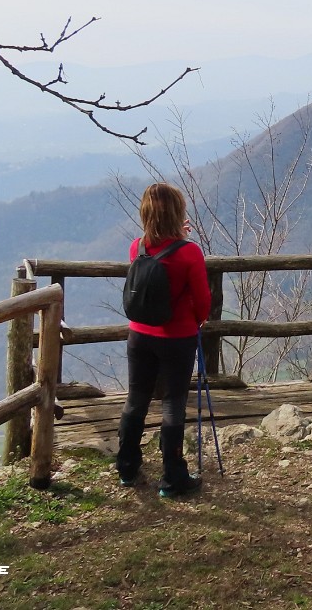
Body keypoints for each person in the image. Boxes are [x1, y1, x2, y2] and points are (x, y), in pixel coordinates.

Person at [115, 182, 210, 498]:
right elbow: (203, 302)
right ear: (177, 214)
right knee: (173, 405)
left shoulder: (136, 248)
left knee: (136, 400)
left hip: (139, 335)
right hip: (177, 338)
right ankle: (173, 478)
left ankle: (127, 469)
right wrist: (193, 321)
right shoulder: (190, 253)